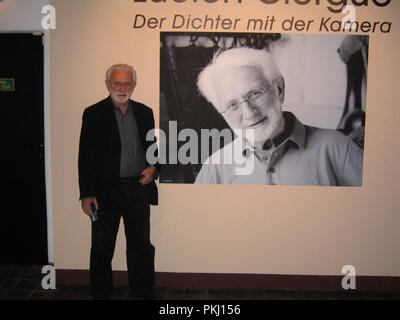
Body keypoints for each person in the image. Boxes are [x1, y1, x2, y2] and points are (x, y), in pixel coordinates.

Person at [195, 47, 363, 186]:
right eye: (233, 105)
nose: (248, 112)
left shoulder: (337, 148)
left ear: (279, 90)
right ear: (222, 113)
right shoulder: (214, 169)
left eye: (255, 93)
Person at [78, 63, 159, 300]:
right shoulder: (93, 113)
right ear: (108, 85)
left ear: (134, 85)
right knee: (103, 247)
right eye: (117, 83)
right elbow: (85, 156)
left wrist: (155, 168)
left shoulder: (145, 112)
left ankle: (142, 293)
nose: (122, 88)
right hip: (105, 192)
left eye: (127, 83)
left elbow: (152, 149)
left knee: (141, 245)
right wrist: (87, 192)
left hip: (138, 189)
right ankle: (101, 293)